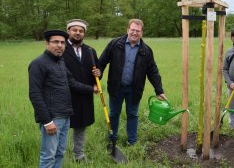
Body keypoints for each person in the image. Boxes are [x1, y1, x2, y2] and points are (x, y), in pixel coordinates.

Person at [28, 30, 98, 167]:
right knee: (48, 156)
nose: (59, 45)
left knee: (60, 153)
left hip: (66, 116)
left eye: (62, 42)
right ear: (47, 43)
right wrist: (47, 122)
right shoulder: (38, 64)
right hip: (53, 118)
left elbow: (72, 83)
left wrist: (92, 89)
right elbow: (34, 94)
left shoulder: (60, 62)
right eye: (55, 42)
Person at [98, 19, 166, 146]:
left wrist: (159, 90)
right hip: (115, 87)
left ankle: (132, 141)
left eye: (138, 31)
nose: (134, 33)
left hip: (134, 89)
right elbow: (101, 63)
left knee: (133, 114)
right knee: (113, 114)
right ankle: (112, 139)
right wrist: (96, 79)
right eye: (132, 30)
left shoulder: (146, 51)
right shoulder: (115, 44)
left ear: (141, 33)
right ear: (127, 30)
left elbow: (153, 71)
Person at [63, 19, 101, 162]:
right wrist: (91, 88)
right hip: (66, 96)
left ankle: (79, 156)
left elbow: (96, 71)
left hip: (84, 97)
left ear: (84, 33)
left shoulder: (90, 50)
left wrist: (99, 73)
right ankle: (61, 156)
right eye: (75, 30)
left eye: (81, 31)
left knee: (80, 126)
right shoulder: (61, 49)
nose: (78, 33)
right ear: (68, 31)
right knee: (63, 127)